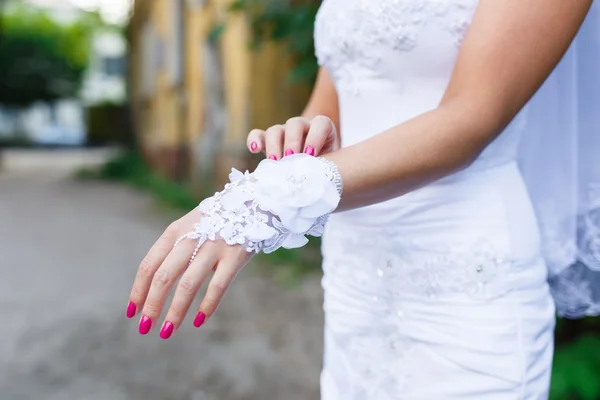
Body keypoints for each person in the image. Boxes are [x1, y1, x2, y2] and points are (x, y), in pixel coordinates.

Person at [126, 0, 600, 398]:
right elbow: (330, 108)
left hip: (464, 277)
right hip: (355, 278)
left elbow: (472, 119)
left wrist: (263, 204)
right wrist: (303, 140)